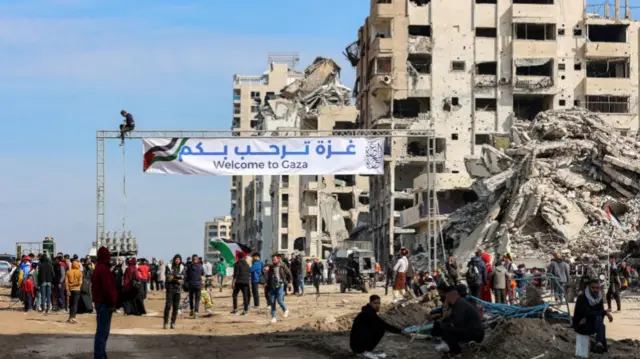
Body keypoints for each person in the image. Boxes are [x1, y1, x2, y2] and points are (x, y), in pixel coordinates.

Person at [434, 286, 485, 357]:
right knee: (445, 326)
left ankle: (457, 352)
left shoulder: (460, 304)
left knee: (447, 329)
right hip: (473, 330)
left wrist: (447, 318)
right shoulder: (458, 303)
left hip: (476, 334)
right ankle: (455, 350)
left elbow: (457, 322)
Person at [573, 279, 613, 353]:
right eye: (593, 288)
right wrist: (603, 312)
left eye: (597, 288)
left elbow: (600, 311)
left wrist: (605, 314)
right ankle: (599, 343)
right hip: (581, 324)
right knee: (600, 321)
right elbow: (587, 313)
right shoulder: (583, 297)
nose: (595, 290)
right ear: (588, 287)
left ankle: (598, 344)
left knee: (600, 320)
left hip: (592, 322)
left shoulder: (599, 297)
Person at [92, 247, 117, 359]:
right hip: (105, 304)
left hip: (99, 303)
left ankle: (101, 354)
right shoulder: (104, 269)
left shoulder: (98, 268)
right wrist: (113, 301)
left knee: (100, 332)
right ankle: (100, 355)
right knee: (103, 333)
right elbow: (107, 288)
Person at [266, 254, 292, 323]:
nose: (273, 260)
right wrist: (268, 286)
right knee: (272, 301)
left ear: (278, 259)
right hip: (272, 286)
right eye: (272, 259)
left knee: (279, 300)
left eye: (274, 259)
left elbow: (289, 273)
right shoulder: (271, 267)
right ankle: (274, 317)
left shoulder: (282, 266)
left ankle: (285, 310)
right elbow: (269, 277)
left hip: (280, 285)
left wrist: (289, 282)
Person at [164, 254, 184, 329]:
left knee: (176, 307)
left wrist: (174, 277)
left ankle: (173, 322)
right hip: (170, 289)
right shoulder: (169, 266)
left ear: (180, 260)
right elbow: (169, 277)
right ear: (174, 259)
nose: (177, 260)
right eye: (176, 259)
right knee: (168, 306)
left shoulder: (182, 267)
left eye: (179, 259)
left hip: (178, 290)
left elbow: (183, 277)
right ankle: (165, 322)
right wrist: (177, 279)